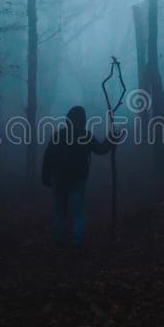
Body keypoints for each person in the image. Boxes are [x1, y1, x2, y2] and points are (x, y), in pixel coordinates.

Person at [42, 106, 115, 247]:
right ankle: (77, 243)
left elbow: (48, 157)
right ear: (83, 120)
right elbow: (100, 150)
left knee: (60, 212)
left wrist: (45, 176)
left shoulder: (59, 134)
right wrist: (111, 139)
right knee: (78, 214)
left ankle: (60, 241)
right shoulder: (85, 135)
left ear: (68, 119)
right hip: (77, 179)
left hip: (59, 178)